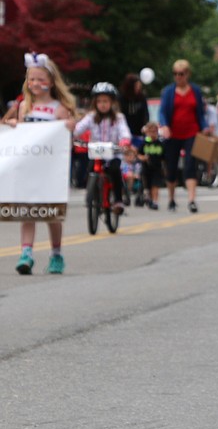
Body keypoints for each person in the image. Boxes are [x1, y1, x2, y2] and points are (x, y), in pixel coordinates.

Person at [7, 52, 77, 274]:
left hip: (49, 170)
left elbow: (65, 138)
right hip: (28, 166)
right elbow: (18, 133)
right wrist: (12, 125)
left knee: (50, 213)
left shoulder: (59, 108)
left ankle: (56, 254)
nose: (35, 83)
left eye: (40, 79)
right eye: (31, 79)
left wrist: (68, 126)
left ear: (51, 82)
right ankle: (26, 253)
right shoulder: (24, 107)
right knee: (27, 211)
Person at [157, 59, 209, 213]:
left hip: (191, 132)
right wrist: (165, 125)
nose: (178, 77)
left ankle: (191, 200)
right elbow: (162, 111)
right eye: (175, 74)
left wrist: (204, 127)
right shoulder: (168, 91)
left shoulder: (195, 91)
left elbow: (200, 112)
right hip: (173, 134)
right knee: (171, 167)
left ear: (187, 74)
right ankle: (172, 199)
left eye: (181, 74)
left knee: (190, 165)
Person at [73, 81, 132, 214]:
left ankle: (118, 200)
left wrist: (124, 141)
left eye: (106, 101)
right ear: (95, 103)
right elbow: (78, 129)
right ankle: (94, 197)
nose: (103, 104)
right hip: (96, 153)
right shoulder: (90, 117)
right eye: (99, 101)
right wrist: (71, 136)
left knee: (115, 170)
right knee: (89, 170)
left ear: (112, 102)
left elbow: (124, 132)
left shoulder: (118, 118)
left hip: (114, 153)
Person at [137, 121, 164, 210]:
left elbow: (164, 156)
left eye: (154, 131)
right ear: (147, 132)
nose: (152, 134)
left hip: (157, 168)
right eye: (150, 131)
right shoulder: (144, 143)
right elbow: (138, 154)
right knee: (147, 186)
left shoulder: (160, 143)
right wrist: (143, 158)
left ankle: (155, 201)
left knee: (155, 185)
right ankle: (147, 199)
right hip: (146, 168)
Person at [119, 73, 150, 138]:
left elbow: (145, 114)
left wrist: (145, 125)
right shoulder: (121, 99)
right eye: (136, 86)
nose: (138, 88)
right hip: (126, 132)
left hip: (140, 132)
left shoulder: (141, 97)